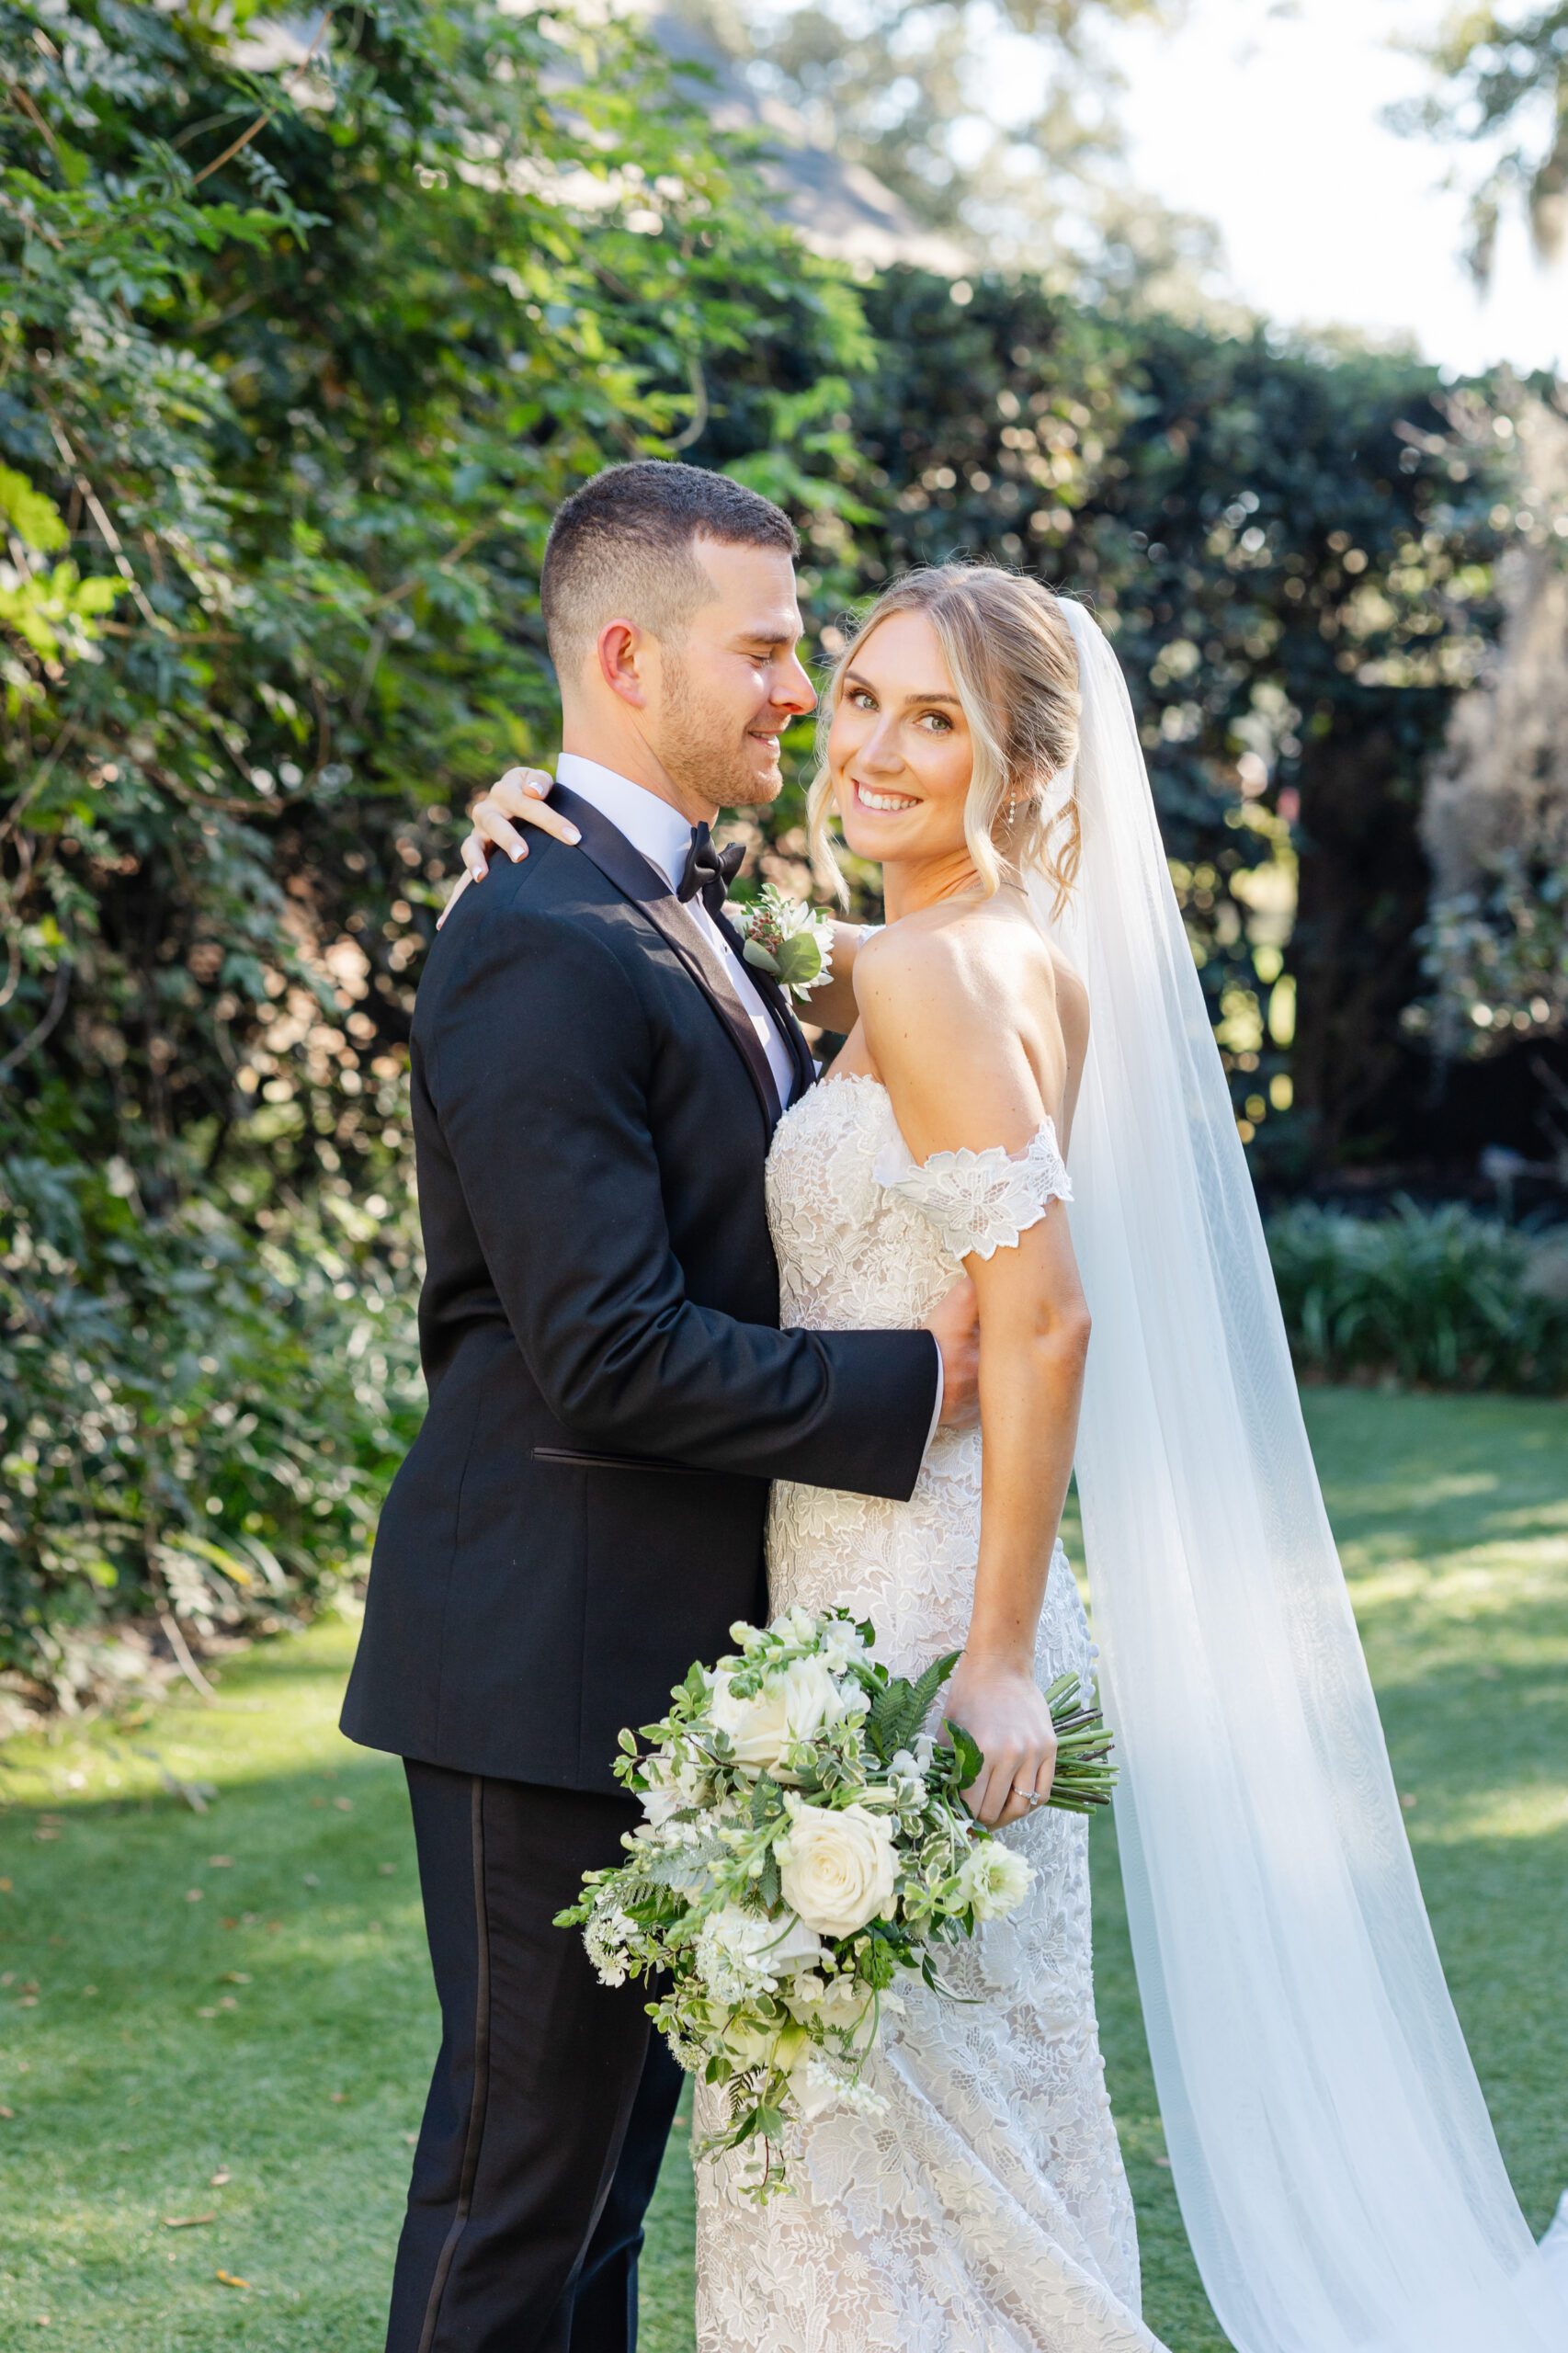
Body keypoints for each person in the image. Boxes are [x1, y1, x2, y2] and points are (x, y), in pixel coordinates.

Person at [464, 557, 1568, 2353]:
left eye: (937, 719)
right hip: (869, 1584)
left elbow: (1042, 1319)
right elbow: (714, 957)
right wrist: (538, 818)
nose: (876, 746)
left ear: (1024, 769)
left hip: (914, 1622)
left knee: (875, 2142)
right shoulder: (960, 956)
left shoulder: (934, 972)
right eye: (861, 698)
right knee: (943, 2143)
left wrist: (985, 1656)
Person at [340, 461, 983, 2353]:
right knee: (517, 2187)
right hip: (538, 1649)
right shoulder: (536, 930)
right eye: (772, 652)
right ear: (628, 656)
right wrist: (926, 1383)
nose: (803, 691)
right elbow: (605, 1342)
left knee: (606, 2195)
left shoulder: (673, 899)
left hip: (664, 1643)